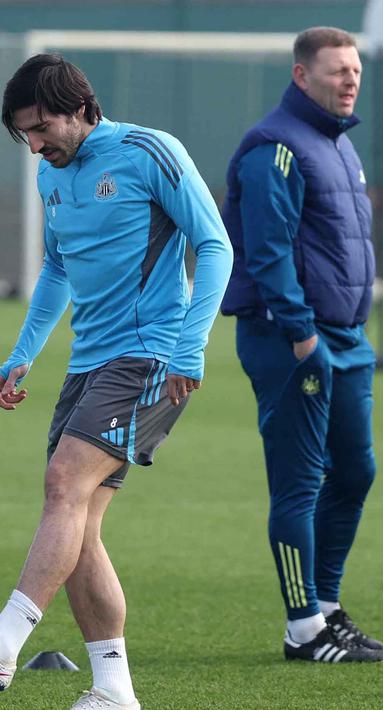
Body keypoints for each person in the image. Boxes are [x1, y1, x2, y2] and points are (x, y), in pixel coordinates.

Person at [0, 55, 231, 709]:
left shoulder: (149, 152)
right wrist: (21, 353)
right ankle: (113, 690)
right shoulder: (49, 175)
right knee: (79, 526)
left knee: (62, 484)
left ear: (81, 107)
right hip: (88, 365)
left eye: (41, 127)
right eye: (23, 134)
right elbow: (55, 269)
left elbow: (215, 244)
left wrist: (189, 349)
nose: (34, 144)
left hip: (149, 357)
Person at [220, 27, 382, 663]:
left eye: (356, 71)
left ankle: (328, 608)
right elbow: (266, 249)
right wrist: (301, 334)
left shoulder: (339, 147)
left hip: (347, 339)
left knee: (357, 472)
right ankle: (303, 629)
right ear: (301, 76)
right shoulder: (275, 147)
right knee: (300, 484)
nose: (350, 81)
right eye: (337, 71)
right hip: (292, 339)